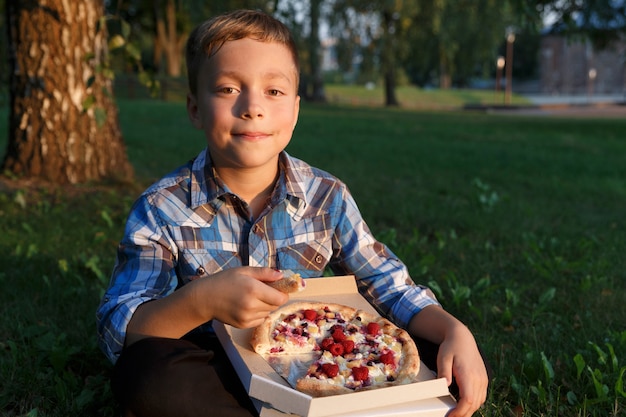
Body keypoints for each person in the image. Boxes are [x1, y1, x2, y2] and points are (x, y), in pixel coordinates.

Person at [96, 9, 489, 417]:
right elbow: (120, 330)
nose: (252, 107)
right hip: (211, 366)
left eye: (274, 91)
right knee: (143, 377)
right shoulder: (162, 207)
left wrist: (454, 330)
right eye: (229, 89)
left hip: (319, 360)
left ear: (296, 110)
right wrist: (200, 302)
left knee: (454, 361)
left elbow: (388, 287)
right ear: (195, 108)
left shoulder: (327, 196)